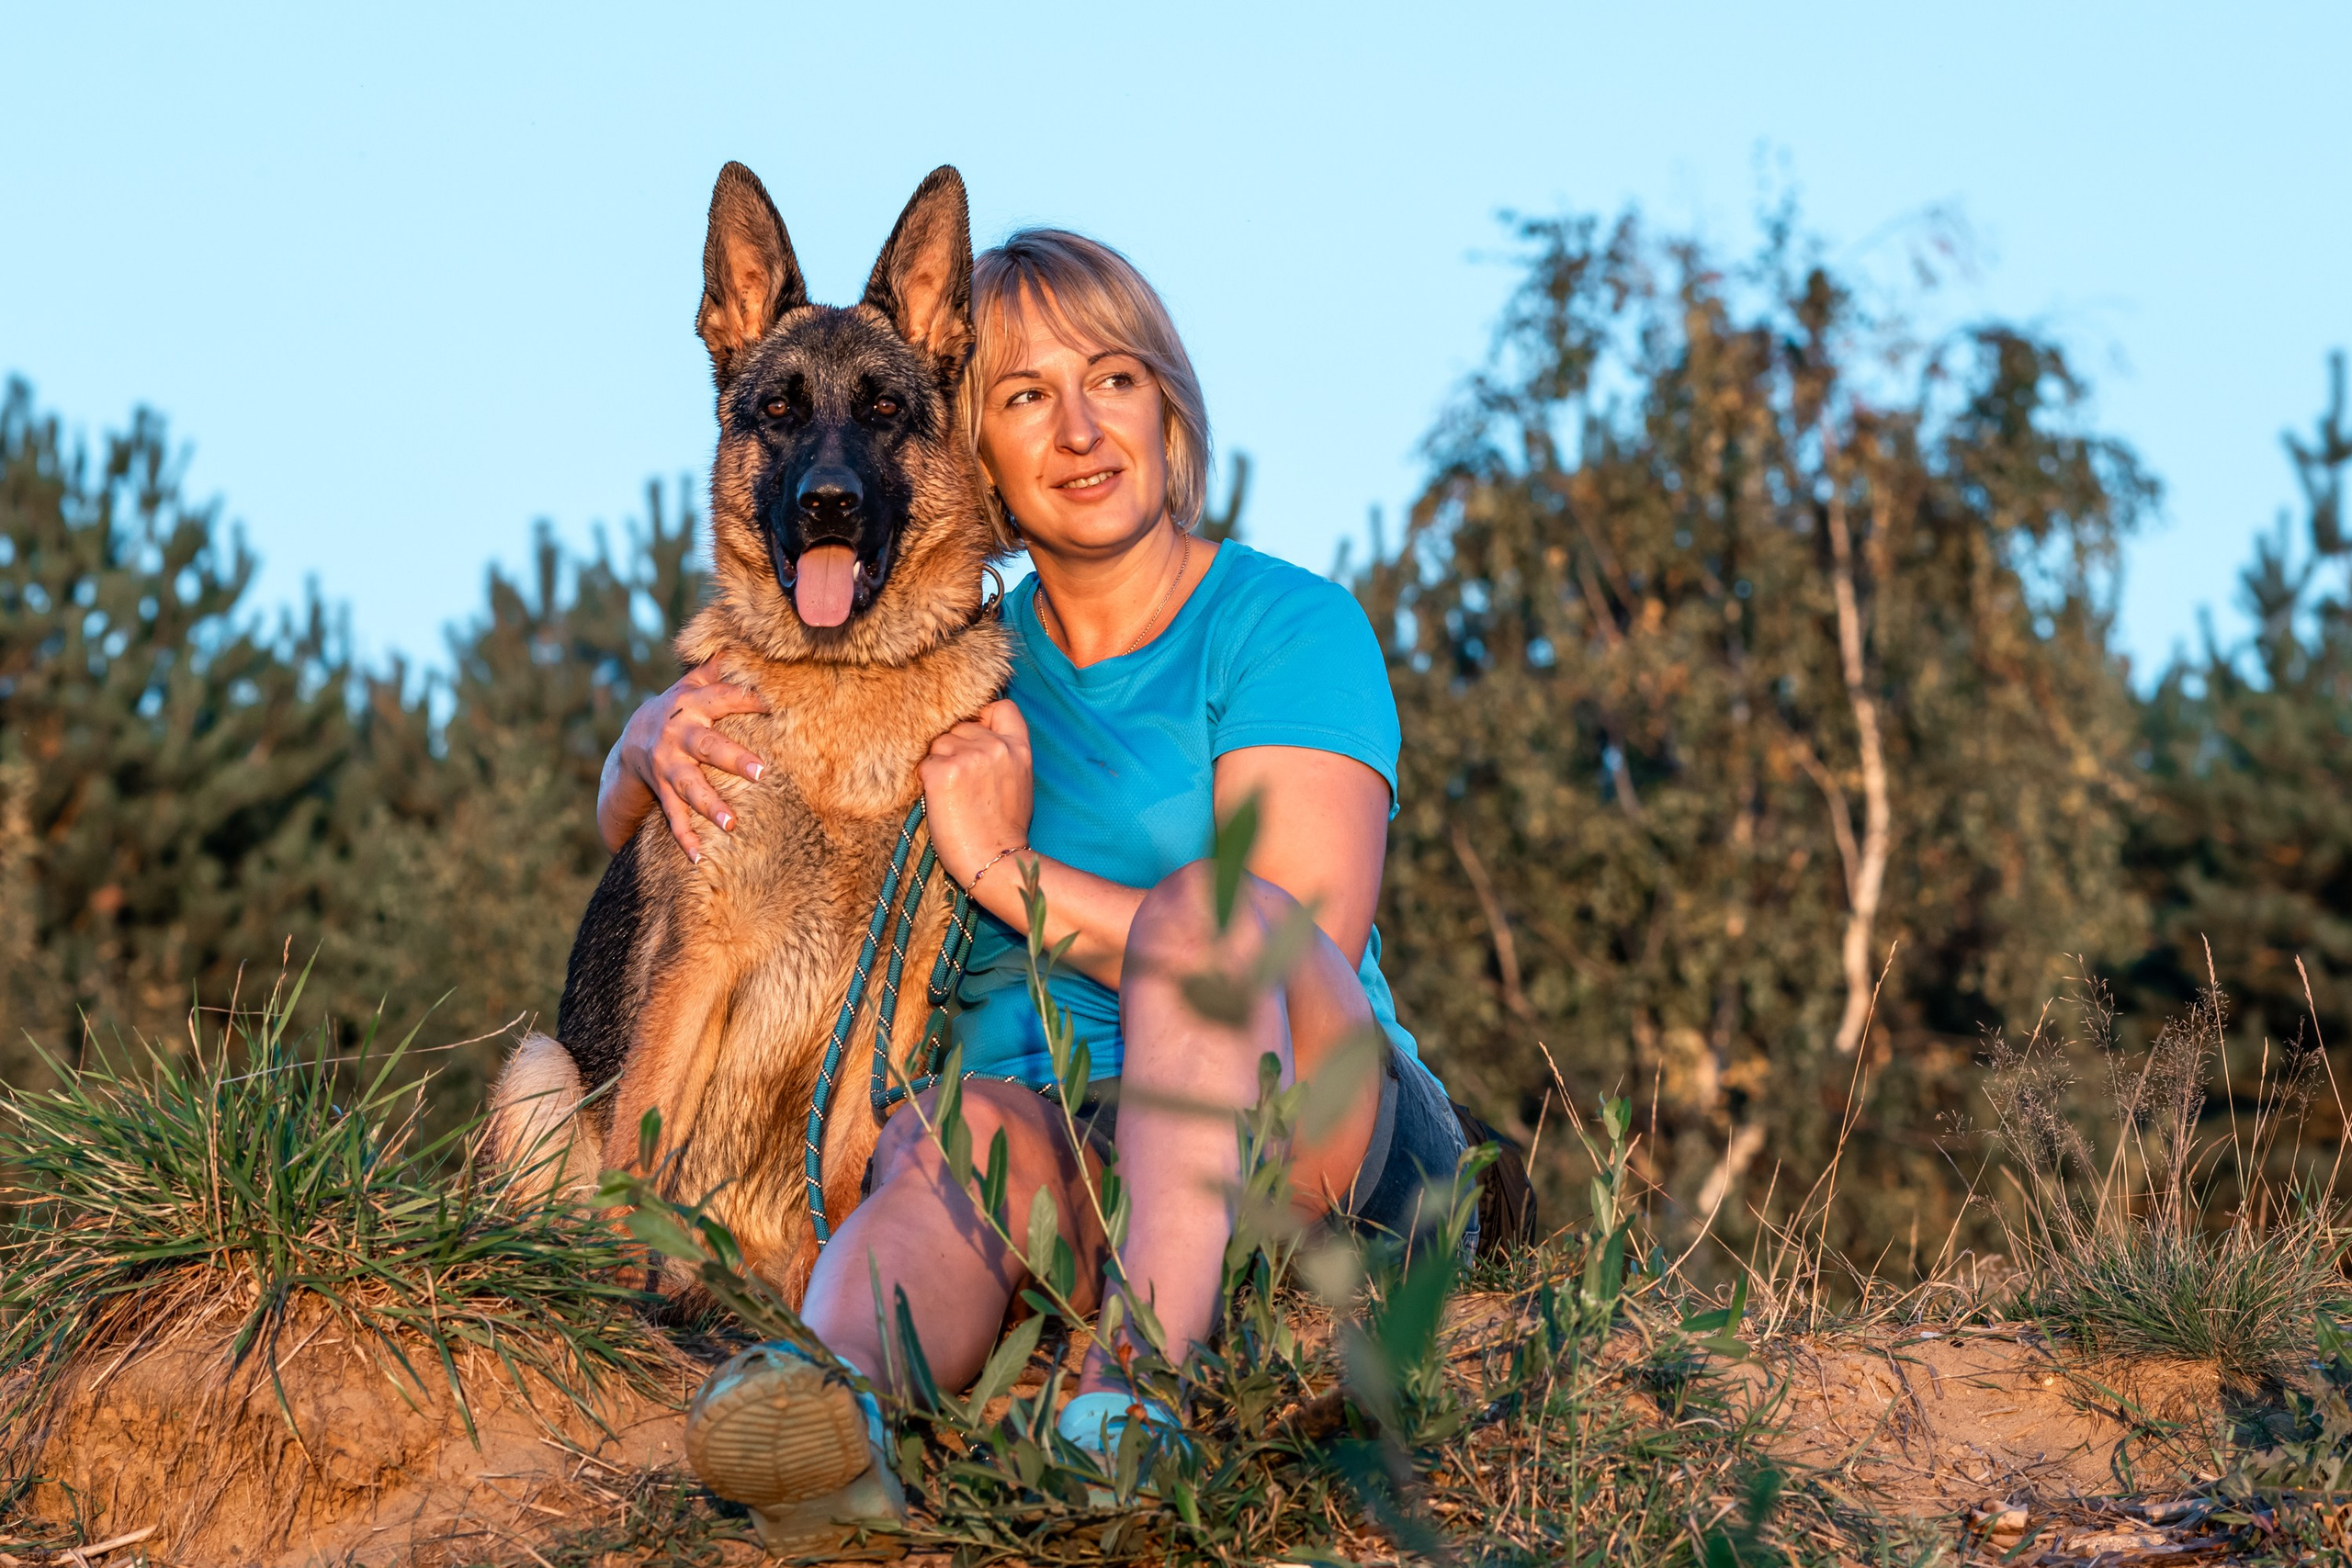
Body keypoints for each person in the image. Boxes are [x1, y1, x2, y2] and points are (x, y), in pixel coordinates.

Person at [594, 228, 1468, 1551]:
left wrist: (1003, 869)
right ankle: (822, 1414)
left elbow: (1299, 944)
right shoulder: (952, 664)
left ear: (1166, 398)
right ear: (973, 451)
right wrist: (643, 740)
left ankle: (1134, 1400)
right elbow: (667, 844)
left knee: (1204, 910)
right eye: (1022, 398)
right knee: (958, 1140)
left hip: (1304, 1122)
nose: (1077, 430)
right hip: (1066, 1142)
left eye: (1111, 379)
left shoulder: (1286, 622)